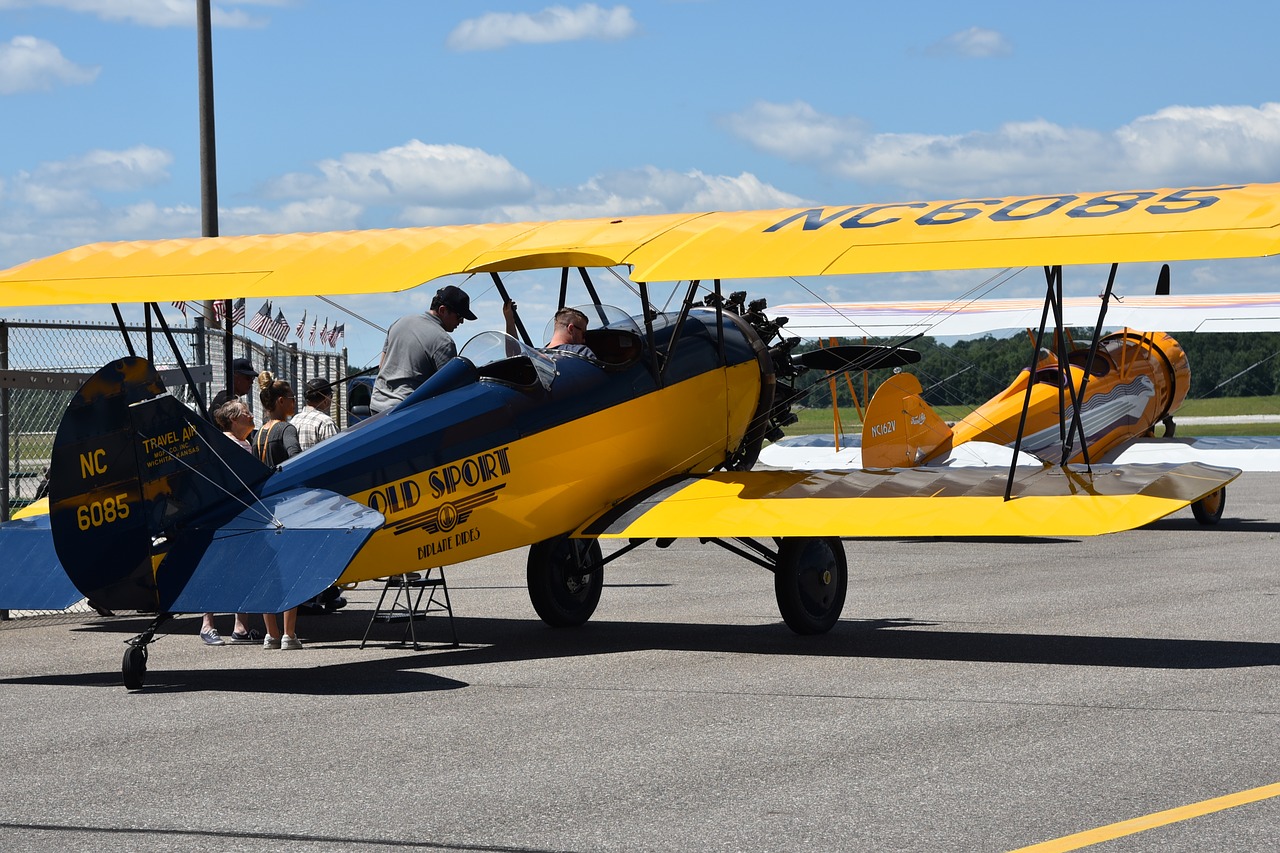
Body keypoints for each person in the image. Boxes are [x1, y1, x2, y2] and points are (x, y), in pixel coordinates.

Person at [197, 400, 260, 645]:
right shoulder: (223, 445)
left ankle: (241, 627)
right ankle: (207, 625)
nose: (251, 415)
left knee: (242, 568)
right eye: (246, 413)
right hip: (223, 517)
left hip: (243, 514)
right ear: (233, 419)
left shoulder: (245, 444)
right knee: (215, 568)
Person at [251, 371, 304, 650]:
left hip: (262, 508)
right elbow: (296, 458)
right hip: (286, 507)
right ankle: (289, 634)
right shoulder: (286, 429)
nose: (295, 403)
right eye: (293, 398)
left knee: (267, 571)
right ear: (282, 401)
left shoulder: (258, 433)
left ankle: (270, 633)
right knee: (290, 569)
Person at [369, 284, 475, 414]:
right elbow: (450, 390)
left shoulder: (400, 322)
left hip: (376, 406)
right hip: (406, 412)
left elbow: (382, 366)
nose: (461, 322)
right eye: (459, 316)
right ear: (442, 310)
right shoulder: (444, 342)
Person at [504, 302, 594, 357]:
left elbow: (513, 356)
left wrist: (510, 320)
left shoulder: (533, 355)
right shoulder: (579, 352)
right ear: (571, 328)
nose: (584, 339)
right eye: (583, 334)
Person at [293, 377, 339, 451]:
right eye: (331, 396)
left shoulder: (294, 420)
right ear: (326, 399)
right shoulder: (326, 422)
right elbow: (335, 452)